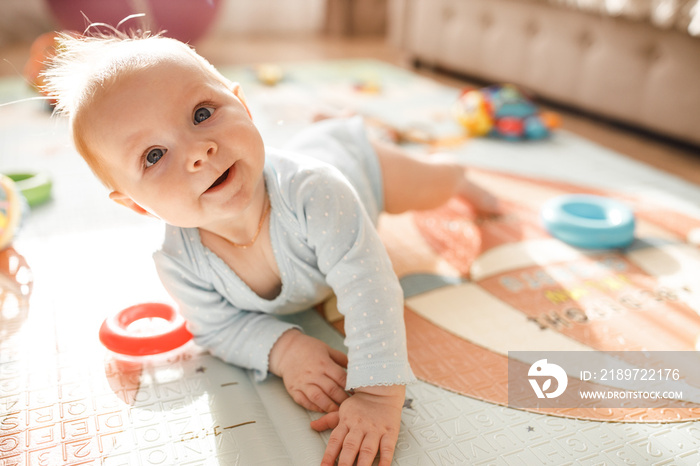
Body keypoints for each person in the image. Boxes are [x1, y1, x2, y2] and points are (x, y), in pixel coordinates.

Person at [43, 31, 499, 466]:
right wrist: (285, 350)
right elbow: (218, 328)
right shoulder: (179, 262)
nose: (198, 153)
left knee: (432, 187)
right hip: (324, 165)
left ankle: (452, 172)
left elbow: (369, 285)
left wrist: (379, 395)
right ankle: (329, 123)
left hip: (361, 165)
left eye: (202, 114)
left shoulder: (315, 193)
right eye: (154, 155)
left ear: (242, 105)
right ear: (135, 205)